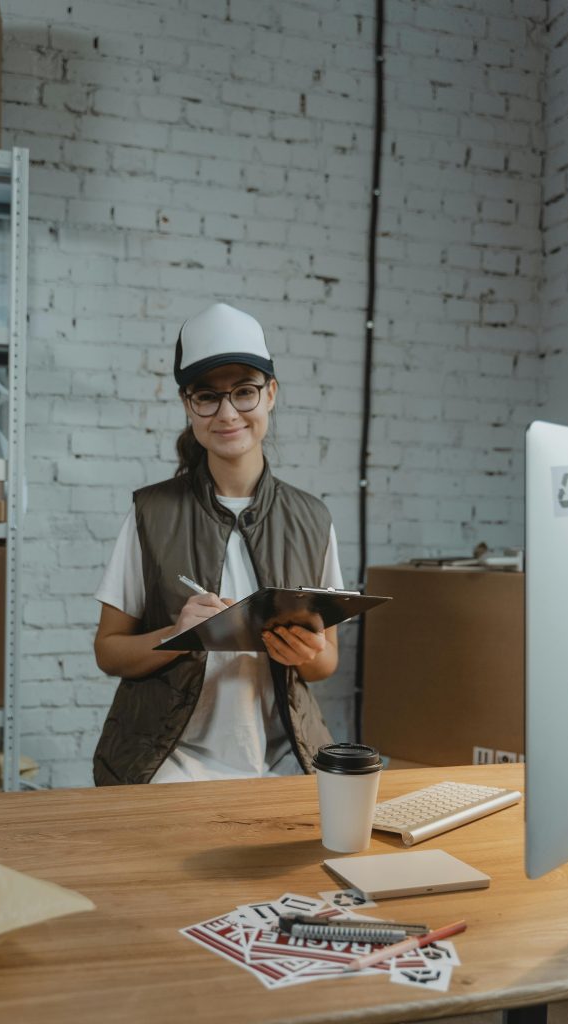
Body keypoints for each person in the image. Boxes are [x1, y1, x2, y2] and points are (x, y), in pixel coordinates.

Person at [92, 302, 344, 785]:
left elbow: (326, 661)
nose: (227, 413)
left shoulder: (312, 518)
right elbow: (109, 650)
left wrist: (304, 652)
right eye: (207, 397)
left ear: (270, 394)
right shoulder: (151, 513)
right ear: (189, 406)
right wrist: (177, 636)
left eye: (244, 392)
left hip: (283, 762)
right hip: (168, 766)